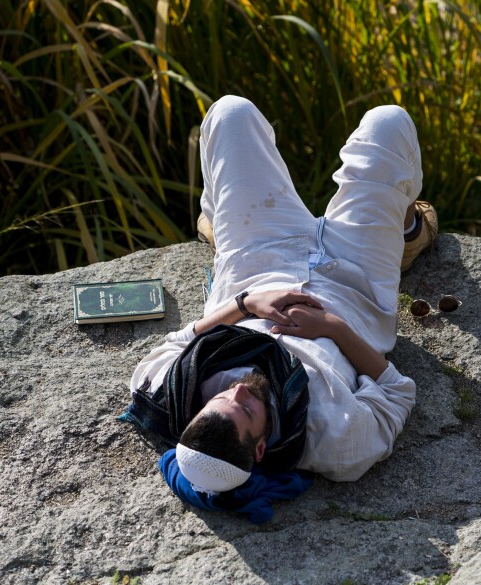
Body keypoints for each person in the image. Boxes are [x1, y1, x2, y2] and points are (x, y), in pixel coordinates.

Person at [127, 95, 437, 506]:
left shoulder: (168, 390)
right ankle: (408, 229)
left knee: (230, 113)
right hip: (354, 285)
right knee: (389, 121)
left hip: (257, 264)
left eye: (219, 399)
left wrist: (246, 302)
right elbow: (397, 393)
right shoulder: (334, 442)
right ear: (259, 450)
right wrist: (332, 328)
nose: (237, 392)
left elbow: (177, 342)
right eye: (248, 410)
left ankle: (220, 224)